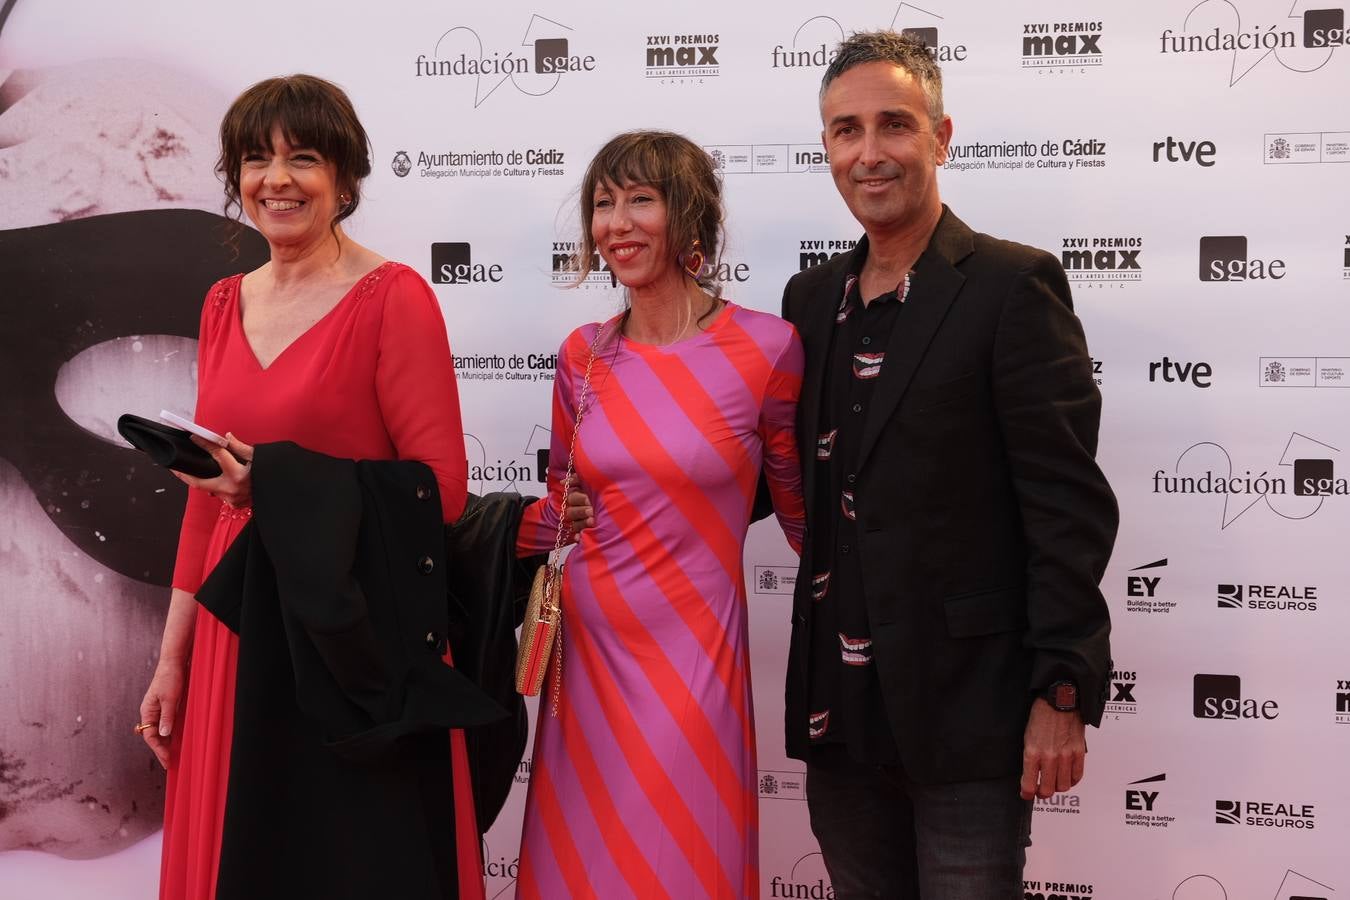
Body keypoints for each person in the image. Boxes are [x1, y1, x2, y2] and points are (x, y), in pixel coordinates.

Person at [773, 31, 1118, 897]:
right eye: (846, 131)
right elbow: (774, 468)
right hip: (837, 712)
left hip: (969, 711)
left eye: (894, 124)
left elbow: (1066, 507)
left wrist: (1062, 688)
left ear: (941, 137)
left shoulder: (1011, 286)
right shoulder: (808, 301)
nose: (869, 152)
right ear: (827, 148)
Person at [135, 75, 482, 900]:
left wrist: (275, 486)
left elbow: (441, 491)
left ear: (345, 177)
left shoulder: (393, 297)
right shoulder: (223, 302)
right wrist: (173, 659)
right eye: (257, 159)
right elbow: (203, 499)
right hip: (234, 628)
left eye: (304, 159)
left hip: (345, 636)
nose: (277, 180)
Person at [515, 130, 806, 899]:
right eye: (603, 204)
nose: (618, 223)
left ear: (688, 216)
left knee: (686, 859)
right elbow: (562, 506)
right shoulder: (583, 354)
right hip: (587, 655)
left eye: (640, 200)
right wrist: (504, 527)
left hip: (695, 655)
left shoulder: (767, 349)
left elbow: (802, 517)